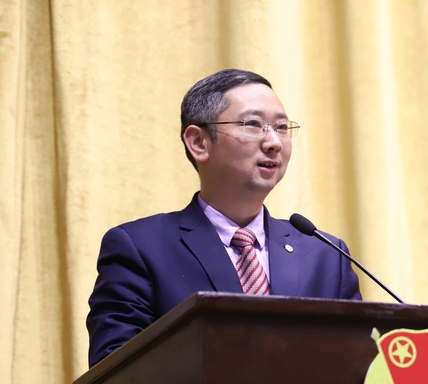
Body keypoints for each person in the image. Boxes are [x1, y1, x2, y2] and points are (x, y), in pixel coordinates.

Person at [86, 69, 362, 367]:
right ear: (198, 142)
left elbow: (359, 364)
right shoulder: (141, 248)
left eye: (282, 127)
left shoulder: (325, 255)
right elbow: (116, 371)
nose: (274, 142)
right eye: (253, 124)